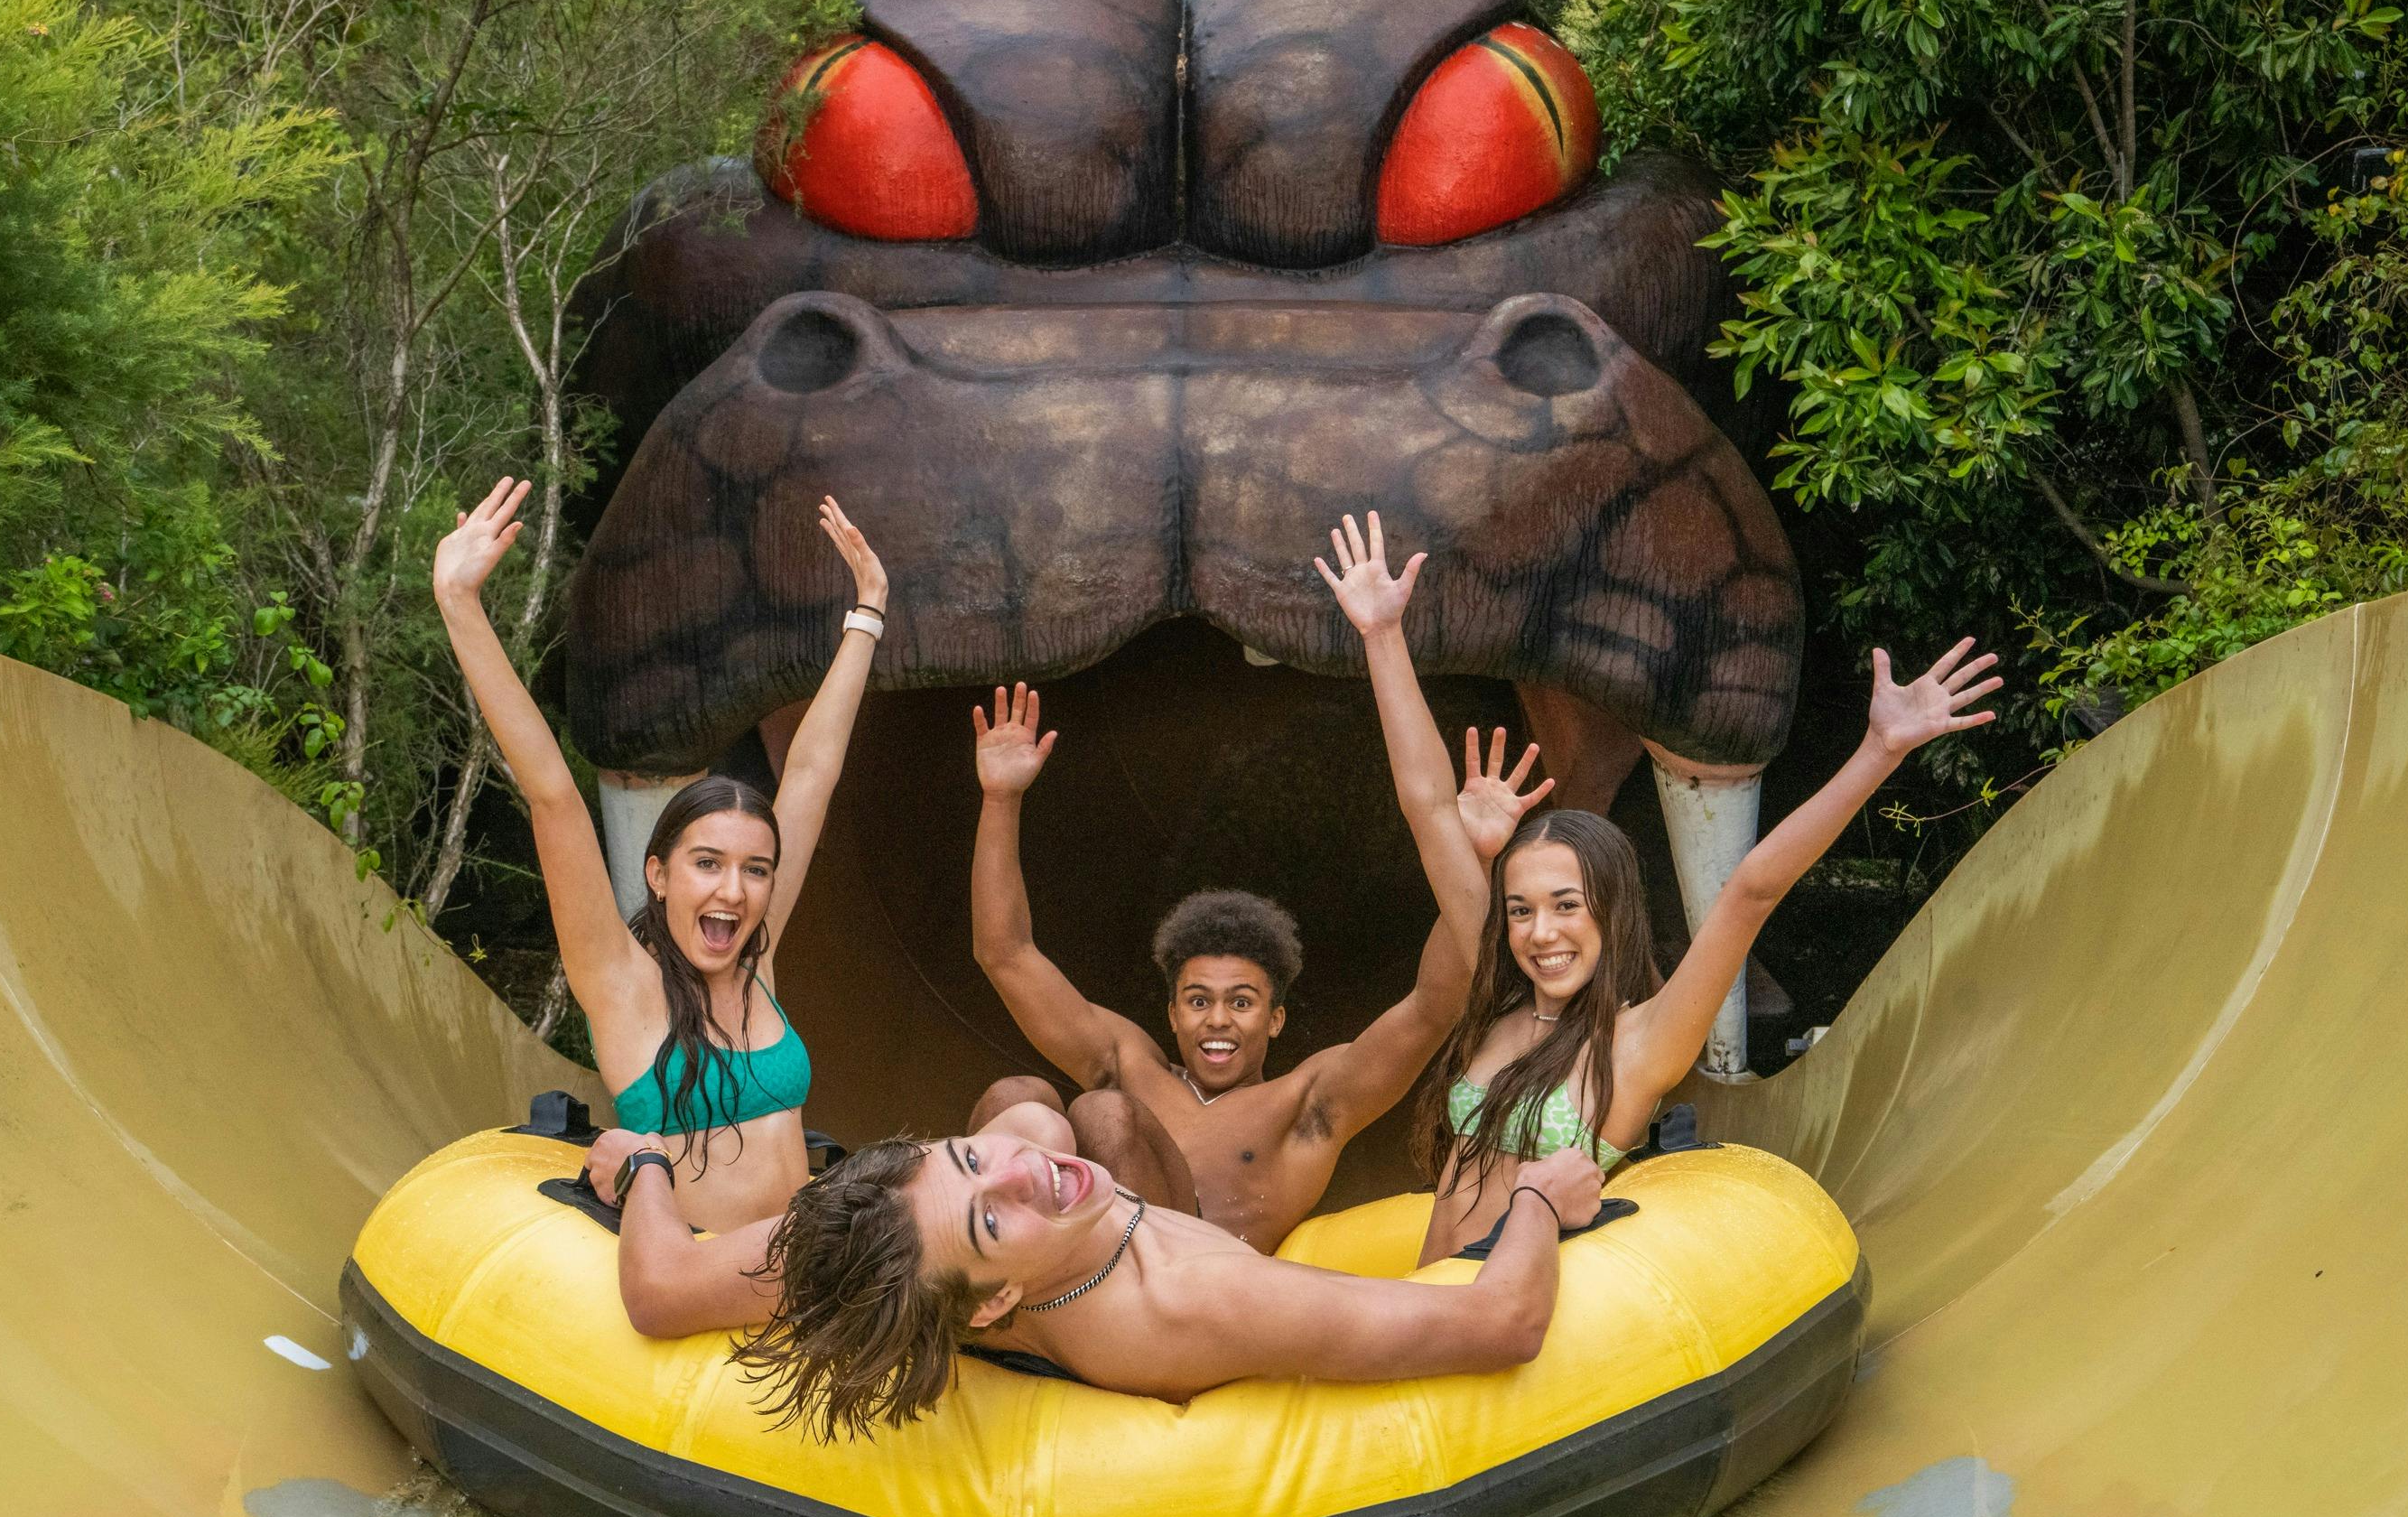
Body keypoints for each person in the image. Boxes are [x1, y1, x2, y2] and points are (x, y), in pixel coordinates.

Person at [963, 514, 1552, 1252]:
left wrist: (1477, 857)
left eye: (1241, 1002)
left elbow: (1437, 1003)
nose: (1218, 1020)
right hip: (1088, 1270)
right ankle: (972, 1281)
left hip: (1200, 1286)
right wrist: (1000, 798)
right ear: (1170, 1012)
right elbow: (1005, 954)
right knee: (1018, 1099)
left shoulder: (1307, 1103)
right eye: (1199, 1000)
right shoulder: (1128, 1063)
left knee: (1104, 1115)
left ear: (1276, 1019)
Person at [430, 476, 888, 1332]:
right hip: (711, 1277)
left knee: (1013, 1125)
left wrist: (866, 614)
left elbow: (812, 773)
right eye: (707, 863)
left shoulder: (756, 951)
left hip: (803, 1262)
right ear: (659, 873)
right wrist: (460, 603)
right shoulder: (621, 984)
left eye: (755, 870)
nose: (734, 890)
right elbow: (553, 794)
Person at [1409, 634, 2001, 1263]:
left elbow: (1750, 891)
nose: (1541, 932)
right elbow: (1428, 810)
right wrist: (1382, 630)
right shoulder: (1499, 1000)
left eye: (1567, 905)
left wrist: (1880, 750)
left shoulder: (1640, 1043)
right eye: (1520, 910)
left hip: (1501, 1301)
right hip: (1427, 1294)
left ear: (1611, 913)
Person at [733, 1103, 1612, 1437]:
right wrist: (1537, 1194)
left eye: (967, 1156)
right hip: (1174, 1301)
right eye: (989, 1217)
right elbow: (1503, 1323)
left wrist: (649, 1171)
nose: (1020, 1169)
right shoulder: (1203, 1293)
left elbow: (682, 1281)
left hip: (1097, 1265)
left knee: (1057, 1112)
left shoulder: (900, 1248)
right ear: (994, 1300)